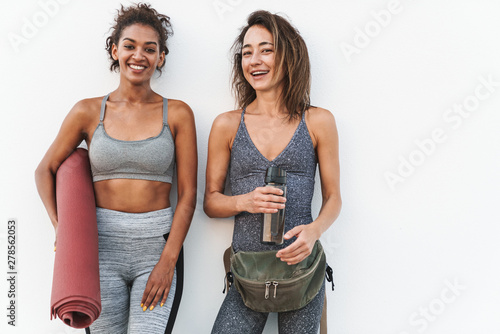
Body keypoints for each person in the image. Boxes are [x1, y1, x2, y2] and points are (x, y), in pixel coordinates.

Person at [35, 3, 197, 334]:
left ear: (160, 57)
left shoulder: (178, 114)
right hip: (99, 253)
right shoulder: (87, 111)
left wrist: (167, 262)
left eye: (150, 49)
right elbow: (44, 171)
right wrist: (62, 230)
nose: (139, 55)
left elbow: (189, 193)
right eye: (130, 45)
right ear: (115, 50)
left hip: (156, 250)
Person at [204, 10, 341, 334]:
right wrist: (245, 202)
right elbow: (210, 202)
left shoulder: (318, 121)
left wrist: (314, 231)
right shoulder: (226, 125)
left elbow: (334, 198)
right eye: (247, 52)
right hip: (247, 272)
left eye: (266, 49)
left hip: (301, 271)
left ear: (288, 54)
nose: (255, 60)